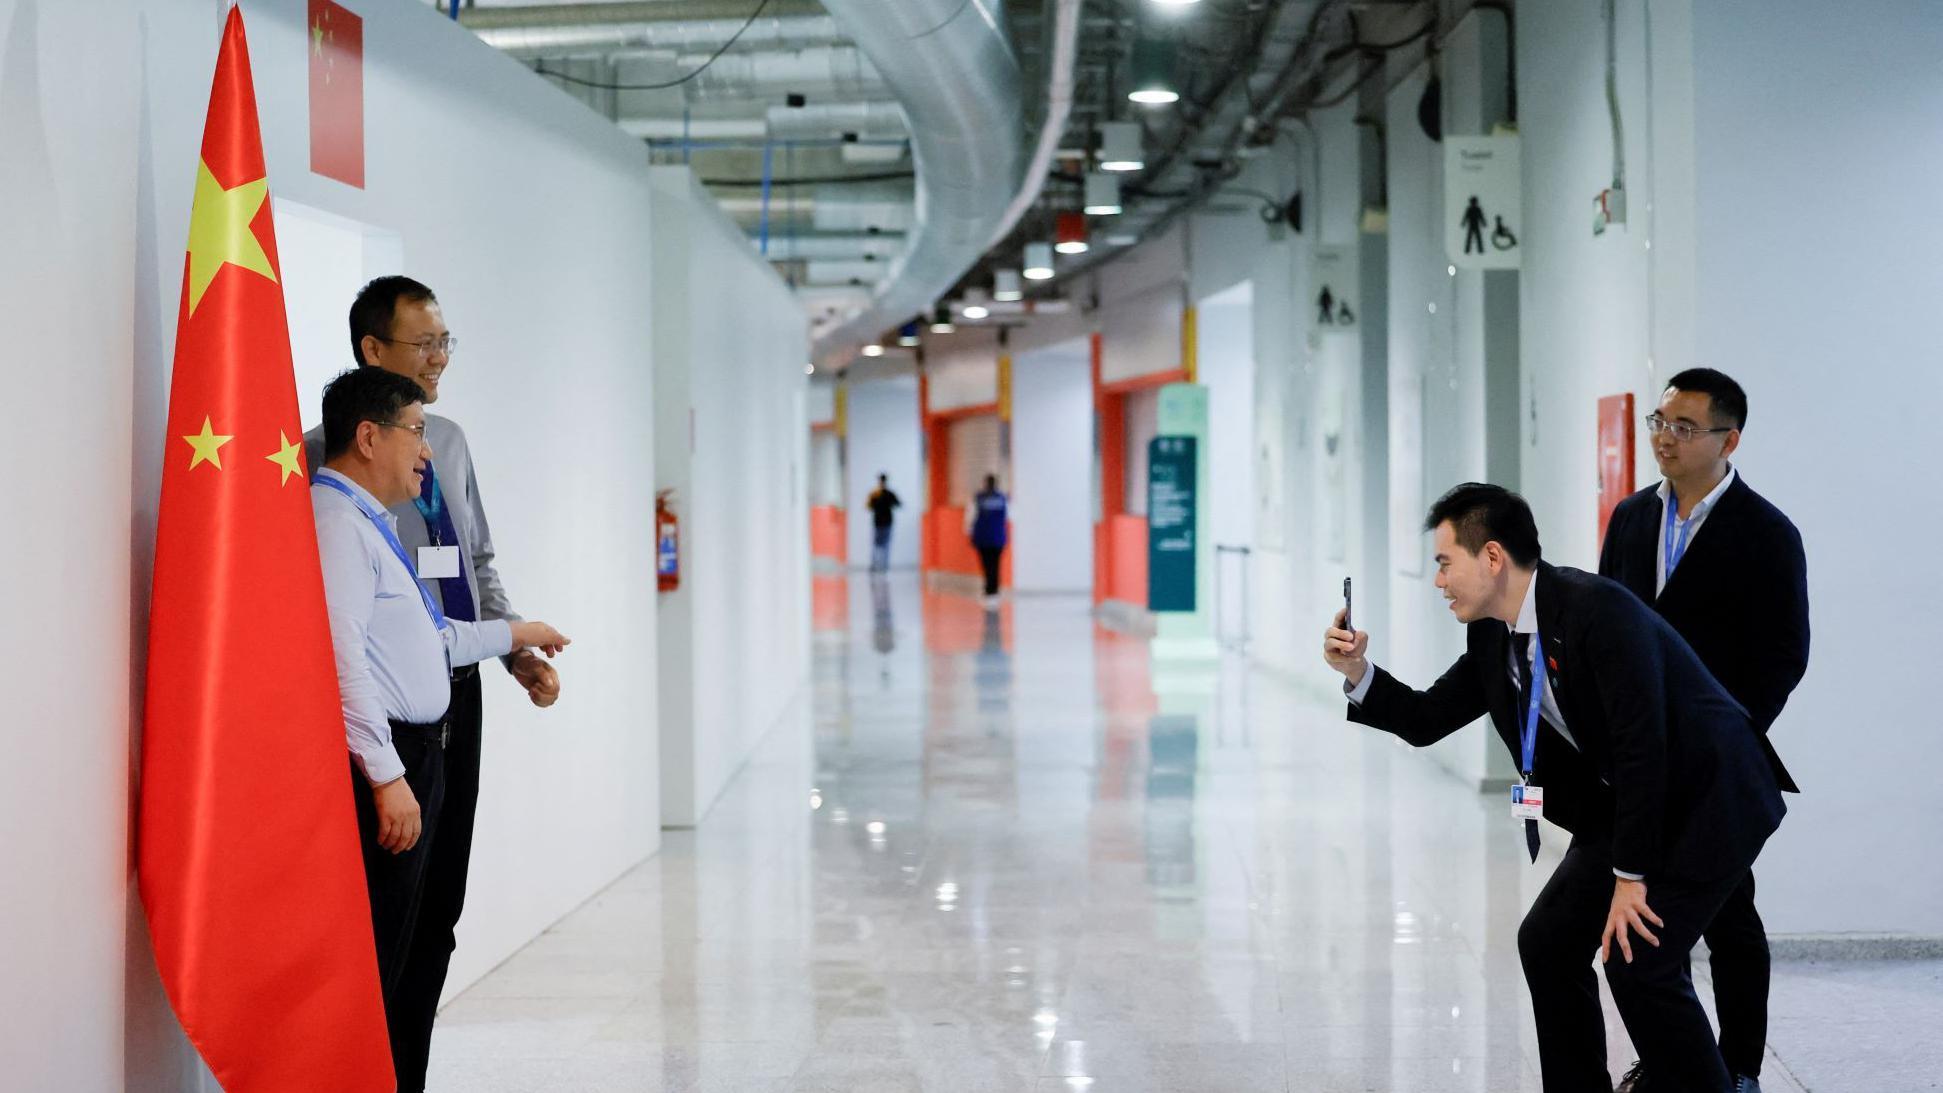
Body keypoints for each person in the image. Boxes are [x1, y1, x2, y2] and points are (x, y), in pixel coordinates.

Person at [1321, 483, 1786, 1093]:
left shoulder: (1598, 612)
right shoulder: (1492, 632)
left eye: (1444, 563)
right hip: (1633, 805)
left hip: (1712, 798)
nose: (1438, 581)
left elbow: (1645, 748)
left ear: (1491, 558)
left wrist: (1629, 877)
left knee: (1638, 961)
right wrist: (1357, 673)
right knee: (1547, 941)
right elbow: (1427, 718)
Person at [304, 276, 563, 1092]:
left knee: (438, 910)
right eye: (428, 344)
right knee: (383, 910)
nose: (441, 359)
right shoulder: (320, 459)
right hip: (375, 713)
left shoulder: (447, 441)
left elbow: (475, 564)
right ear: (374, 350)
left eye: (448, 342)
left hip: (454, 686)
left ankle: (402, 1071)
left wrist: (514, 651)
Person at [1600, 369, 1809, 1093]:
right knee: (1650, 921)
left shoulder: (1766, 531)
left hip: (1717, 765)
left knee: (1728, 916)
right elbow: (1607, 629)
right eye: (1659, 422)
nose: (1664, 437)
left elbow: (1784, 653)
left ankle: (1739, 1065)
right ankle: (1669, 1057)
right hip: (1637, 756)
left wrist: (1722, 736)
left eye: (1683, 427)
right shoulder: (1630, 518)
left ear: (1729, 438)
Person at [965, 473, 1009, 609]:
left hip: (983, 537)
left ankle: (989, 591)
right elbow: (1009, 517)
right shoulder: (1003, 498)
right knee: (995, 564)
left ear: (985, 483)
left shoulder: (978, 498)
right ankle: (993, 592)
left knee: (986, 564)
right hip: (998, 538)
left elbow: (969, 518)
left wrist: (969, 532)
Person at [867, 473, 902, 572]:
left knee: (880, 544)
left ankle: (879, 565)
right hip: (882, 522)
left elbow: (869, 506)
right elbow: (898, 504)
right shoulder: (881, 494)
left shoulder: (877, 494)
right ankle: (880, 565)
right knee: (881, 545)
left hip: (883, 523)